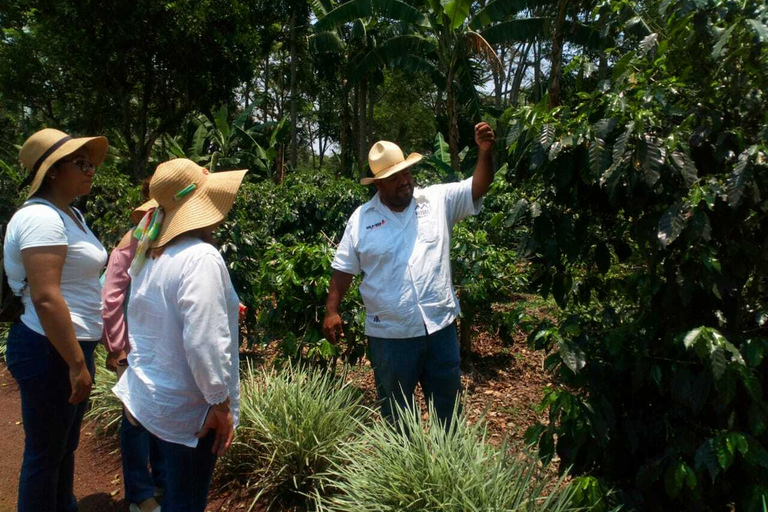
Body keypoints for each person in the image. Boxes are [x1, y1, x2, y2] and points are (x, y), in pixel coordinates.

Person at [322, 122, 496, 428]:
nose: (404, 181)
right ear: (378, 183)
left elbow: (477, 187)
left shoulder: (436, 200)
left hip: (439, 329)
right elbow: (344, 267)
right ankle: (405, 475)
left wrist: (485, 154)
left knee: (448, 415)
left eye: (406, 172)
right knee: (397, 418)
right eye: (393, 177)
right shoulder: (362, 219)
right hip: (390, 337)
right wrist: (331, 310)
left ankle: (447, 470)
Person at [113, 158, 246, 512]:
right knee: (187, 500)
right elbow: (205, 341)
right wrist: (219, 404)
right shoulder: (201, 257)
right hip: (193, 410)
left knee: (175, 492)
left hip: (160, 401)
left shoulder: (151, 254)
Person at [4, 128, 109, 512]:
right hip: (51, 349)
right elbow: (46, 297)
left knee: (64, 446)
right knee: (46, 454)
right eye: (80, 163)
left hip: (68, 347)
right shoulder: (40, 219)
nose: (90, 170)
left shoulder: (72, 214)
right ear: (51, 171)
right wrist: (76, 363)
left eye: (91, 163)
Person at [101, 181, 164, 512]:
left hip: (154, 345)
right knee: (136, 418)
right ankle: (140, 494)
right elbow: (111, 298)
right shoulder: (133, 241)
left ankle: (160, 483)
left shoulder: (161, 238)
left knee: (155, 414)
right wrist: (118, 348)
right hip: (133, 346)